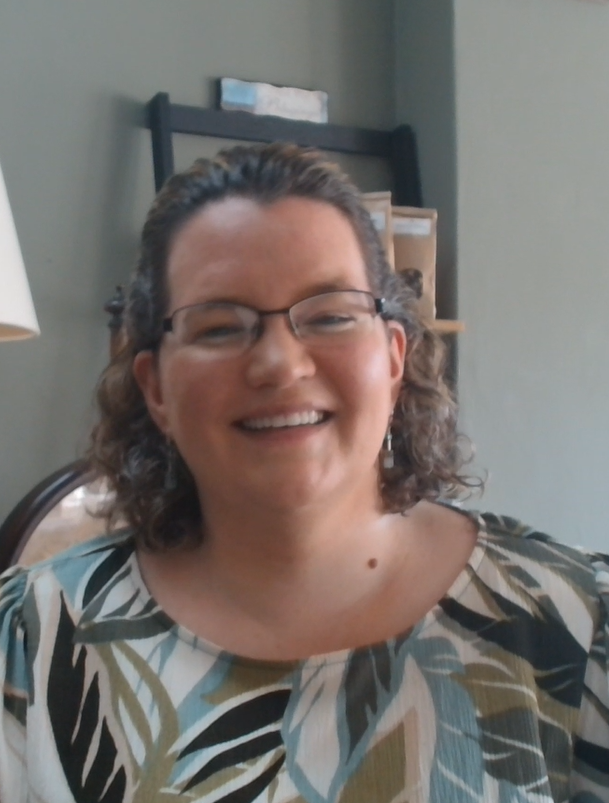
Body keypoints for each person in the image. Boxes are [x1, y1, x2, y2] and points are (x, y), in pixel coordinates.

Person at [0, 143, 607, 803]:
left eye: (330, 315)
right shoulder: (26, 641)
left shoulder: (581, 627)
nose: (280, 364)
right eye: (219, 326)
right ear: (156, 390)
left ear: (393, 357)